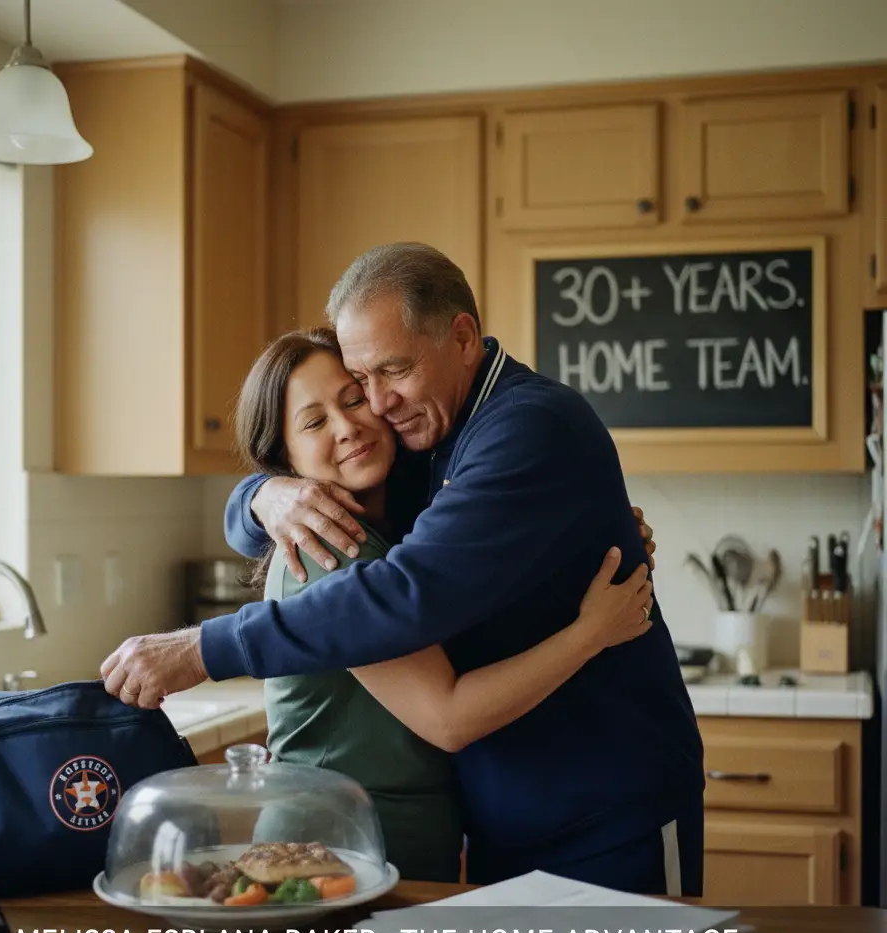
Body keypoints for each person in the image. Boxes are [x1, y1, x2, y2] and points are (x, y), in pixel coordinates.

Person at [101, 242, 706, 897]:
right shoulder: (423, 443)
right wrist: (259, 496)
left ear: (464, 337)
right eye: (364, 380)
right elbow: (288, 495)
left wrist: (207, 645)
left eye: (392, 370)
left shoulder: (526, 430)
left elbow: (406, 595)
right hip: (499, 819)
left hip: (607, 813)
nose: (378, 405)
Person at [222, 326, 655, 882]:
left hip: (397, 844)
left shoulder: (405, 516)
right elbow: (448, 719)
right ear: (285, 457)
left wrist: (584, 540)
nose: (348, 425)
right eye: (314, 421)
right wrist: (591, 633)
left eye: (354, 398)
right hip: (331, 848)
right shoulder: (328, 550)